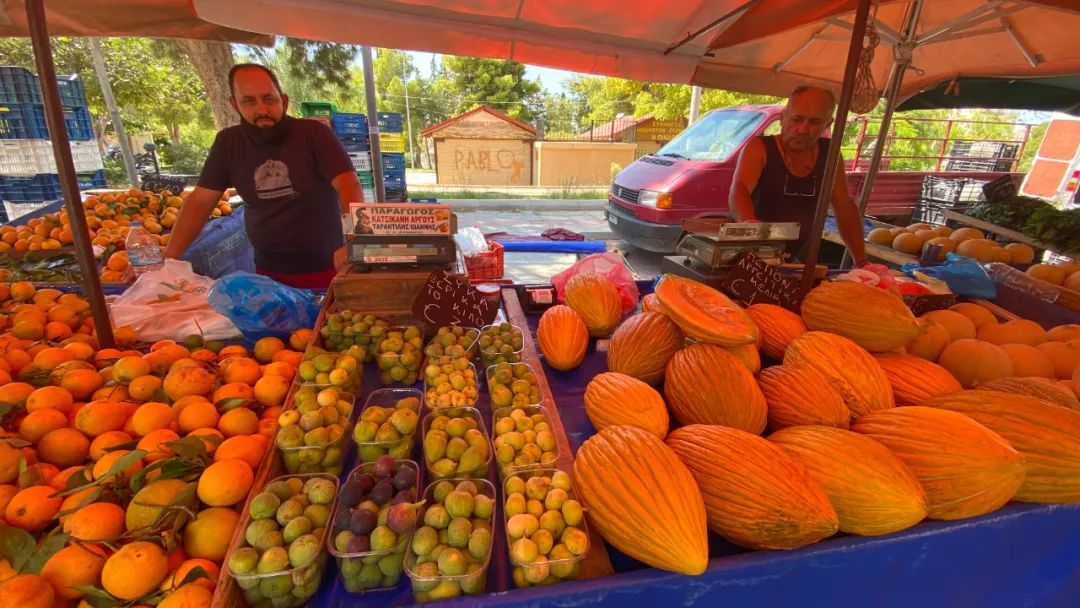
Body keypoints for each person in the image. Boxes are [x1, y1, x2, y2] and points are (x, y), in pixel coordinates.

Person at [163, 63, 363, 288]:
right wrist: (169, 261)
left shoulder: (314, 135)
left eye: (269, 99)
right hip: (268, 272)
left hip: (328, 268)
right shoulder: (228, 143)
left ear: (284, 101)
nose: (261, 110)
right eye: (249, 101)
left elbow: (348, 185)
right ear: (234, 104)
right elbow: (200, 201)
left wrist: (354, 240)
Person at [729, 85, 867, 266]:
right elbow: (739, 190)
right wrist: (750, 225)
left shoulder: (830, 154)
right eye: (797, 119)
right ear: (783, 117)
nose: (802, 129)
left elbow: (844, 206)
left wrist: (862, 262)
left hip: (788, 259)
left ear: (828, 124)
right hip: (744, 257)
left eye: (814, 122)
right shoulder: (759, 148)